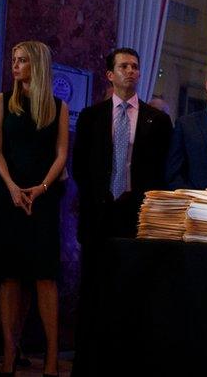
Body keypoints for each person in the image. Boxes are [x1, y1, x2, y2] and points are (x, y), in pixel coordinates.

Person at [70, 48, 171, 376]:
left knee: (131, 294)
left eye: (136, 67)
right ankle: (87, 364)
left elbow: (162, 172)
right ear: (110, 75)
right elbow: (80, 168)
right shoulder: (91, 116)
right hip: (99, 216)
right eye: (124, 66)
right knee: (93, 293)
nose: (131, 71)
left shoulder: (158, 121)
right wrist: (99, 198)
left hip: (137, 218)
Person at [0, 41, 68, 377]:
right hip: (9, 196)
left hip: (43, 199)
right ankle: (9, 352)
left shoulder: (58, 106)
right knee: (9, 277)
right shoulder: (2, 101)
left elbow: (62, 153)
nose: (15, 66)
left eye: (22, 61)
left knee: (44, 277)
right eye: (14, 60)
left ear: (38, 65)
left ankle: (51, 356)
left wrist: (42, 188)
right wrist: (11, 187)